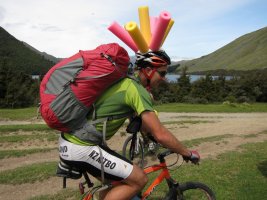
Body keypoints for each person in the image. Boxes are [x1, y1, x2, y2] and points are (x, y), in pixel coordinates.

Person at [58, 49, 200, 200]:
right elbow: (160, 134)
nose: (164, 78)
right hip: (82, 146)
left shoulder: (126, 83)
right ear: (148, 71)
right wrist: (187, 153)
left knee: (119, 183)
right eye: (162, 73)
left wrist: (153, 139)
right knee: (140, 179)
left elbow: (145, 128)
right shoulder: (136, 90)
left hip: (73, 141)